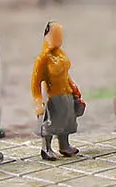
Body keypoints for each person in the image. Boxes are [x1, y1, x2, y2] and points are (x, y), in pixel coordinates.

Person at [30, 20, 83, 162]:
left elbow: (66, 74)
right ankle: (46, 148)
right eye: (55, 35)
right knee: (51, 122)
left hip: (67, 94)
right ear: (47, 36)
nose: (59, 38)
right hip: (53, 96)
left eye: (60, 35)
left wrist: (74, 88)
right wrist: (38, 100)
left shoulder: (61, 54)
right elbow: (35, 83)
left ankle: (64, 145)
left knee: (67, 120)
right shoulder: (43, 59)